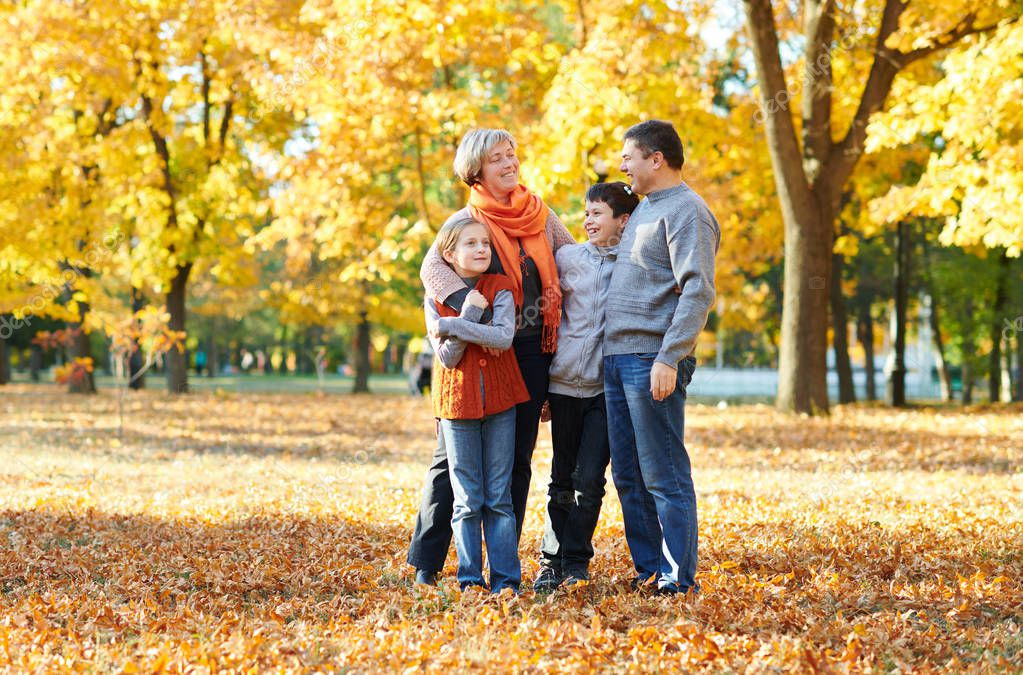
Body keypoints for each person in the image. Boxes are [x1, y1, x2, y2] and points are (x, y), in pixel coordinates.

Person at [409, 128, 575, 586]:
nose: (509, 163)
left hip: (532, 348)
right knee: (451, 458)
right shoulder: (467, 218)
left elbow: (573, 257)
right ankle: (427, 560)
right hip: (478, 348)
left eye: (512, 154)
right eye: (498, 157)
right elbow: (430, 268)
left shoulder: (539, 214)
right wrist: (470, 312)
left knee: (516, 458)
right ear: (476, 169)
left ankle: (503, 564)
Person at [605, 120, 720, 595]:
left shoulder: (688, 211)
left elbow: (698, 290)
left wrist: (669, 358)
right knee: (628, 474)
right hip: (617, 357)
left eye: (628, 156)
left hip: (651, 358)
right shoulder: (645, 210)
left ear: (656, 159)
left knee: (664, 473)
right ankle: (650, 570)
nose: (621, 165)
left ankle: (676, 579)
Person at [533, 182, 639, 593]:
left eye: (597, 213)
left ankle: (576, 562)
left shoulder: (632, 266)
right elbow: (547, 319)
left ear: (622, 221)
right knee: (561, 477)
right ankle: (550, 561)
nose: (587, 220)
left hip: (604, 389)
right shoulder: (566, 258)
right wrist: (543, 385)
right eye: (586, 212)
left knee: (590, 478)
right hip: (562, 387)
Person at [424, 215, 529, 593]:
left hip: (501, 402)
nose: (482, 249)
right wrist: (468, 312)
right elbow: (448, 358)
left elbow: (502, 337)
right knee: (467, 499)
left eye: (485, 243)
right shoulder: (434, 296)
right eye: (471, 244)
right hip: (456, 404)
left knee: (498, 498)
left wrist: (451, 326)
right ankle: (470, 581)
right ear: (449, 255)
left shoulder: (500, 287)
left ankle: (506, 582)